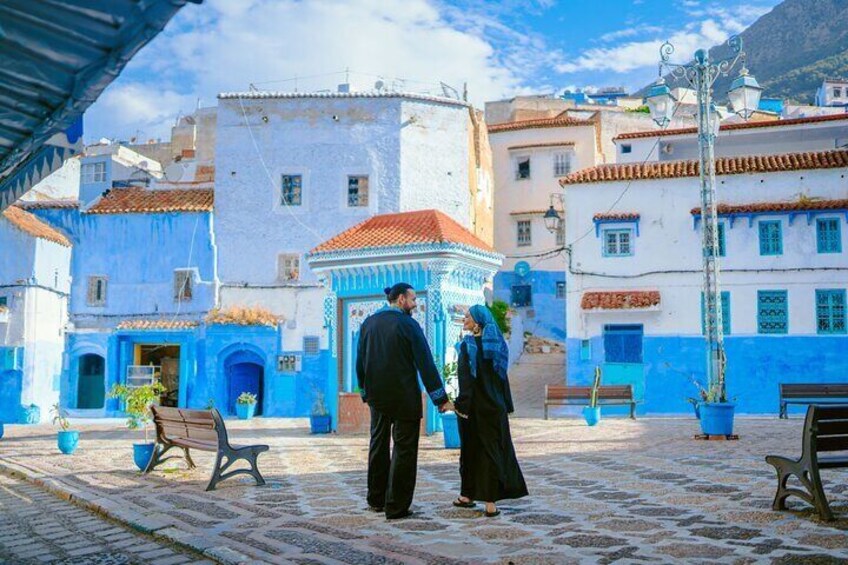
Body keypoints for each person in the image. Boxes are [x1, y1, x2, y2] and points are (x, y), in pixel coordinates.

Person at [356, 282, 455, 519]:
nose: (415, 304)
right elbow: (425, 363)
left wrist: (364, 392)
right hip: (404, 398)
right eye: (412, 300)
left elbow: (360, 362)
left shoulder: (368, 323)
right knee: (404, 450)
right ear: (401, 299)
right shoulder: (408, 325)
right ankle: (396, 506)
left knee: (378, 445)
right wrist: (439, 398)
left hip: (377, 398)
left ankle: (376, 499)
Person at [453, 304, 528, 517]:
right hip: (496, 408)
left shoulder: (467, 347)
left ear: (477, 322)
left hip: (474, 410)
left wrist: (461, 407)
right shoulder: (498, 345)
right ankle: (489, 503)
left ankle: (468, 495)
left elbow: (466, 381)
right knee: (493, 452)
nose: (464, 319)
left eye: (467, 317)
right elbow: (502, 378)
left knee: (471, 452)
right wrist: (507, 405)